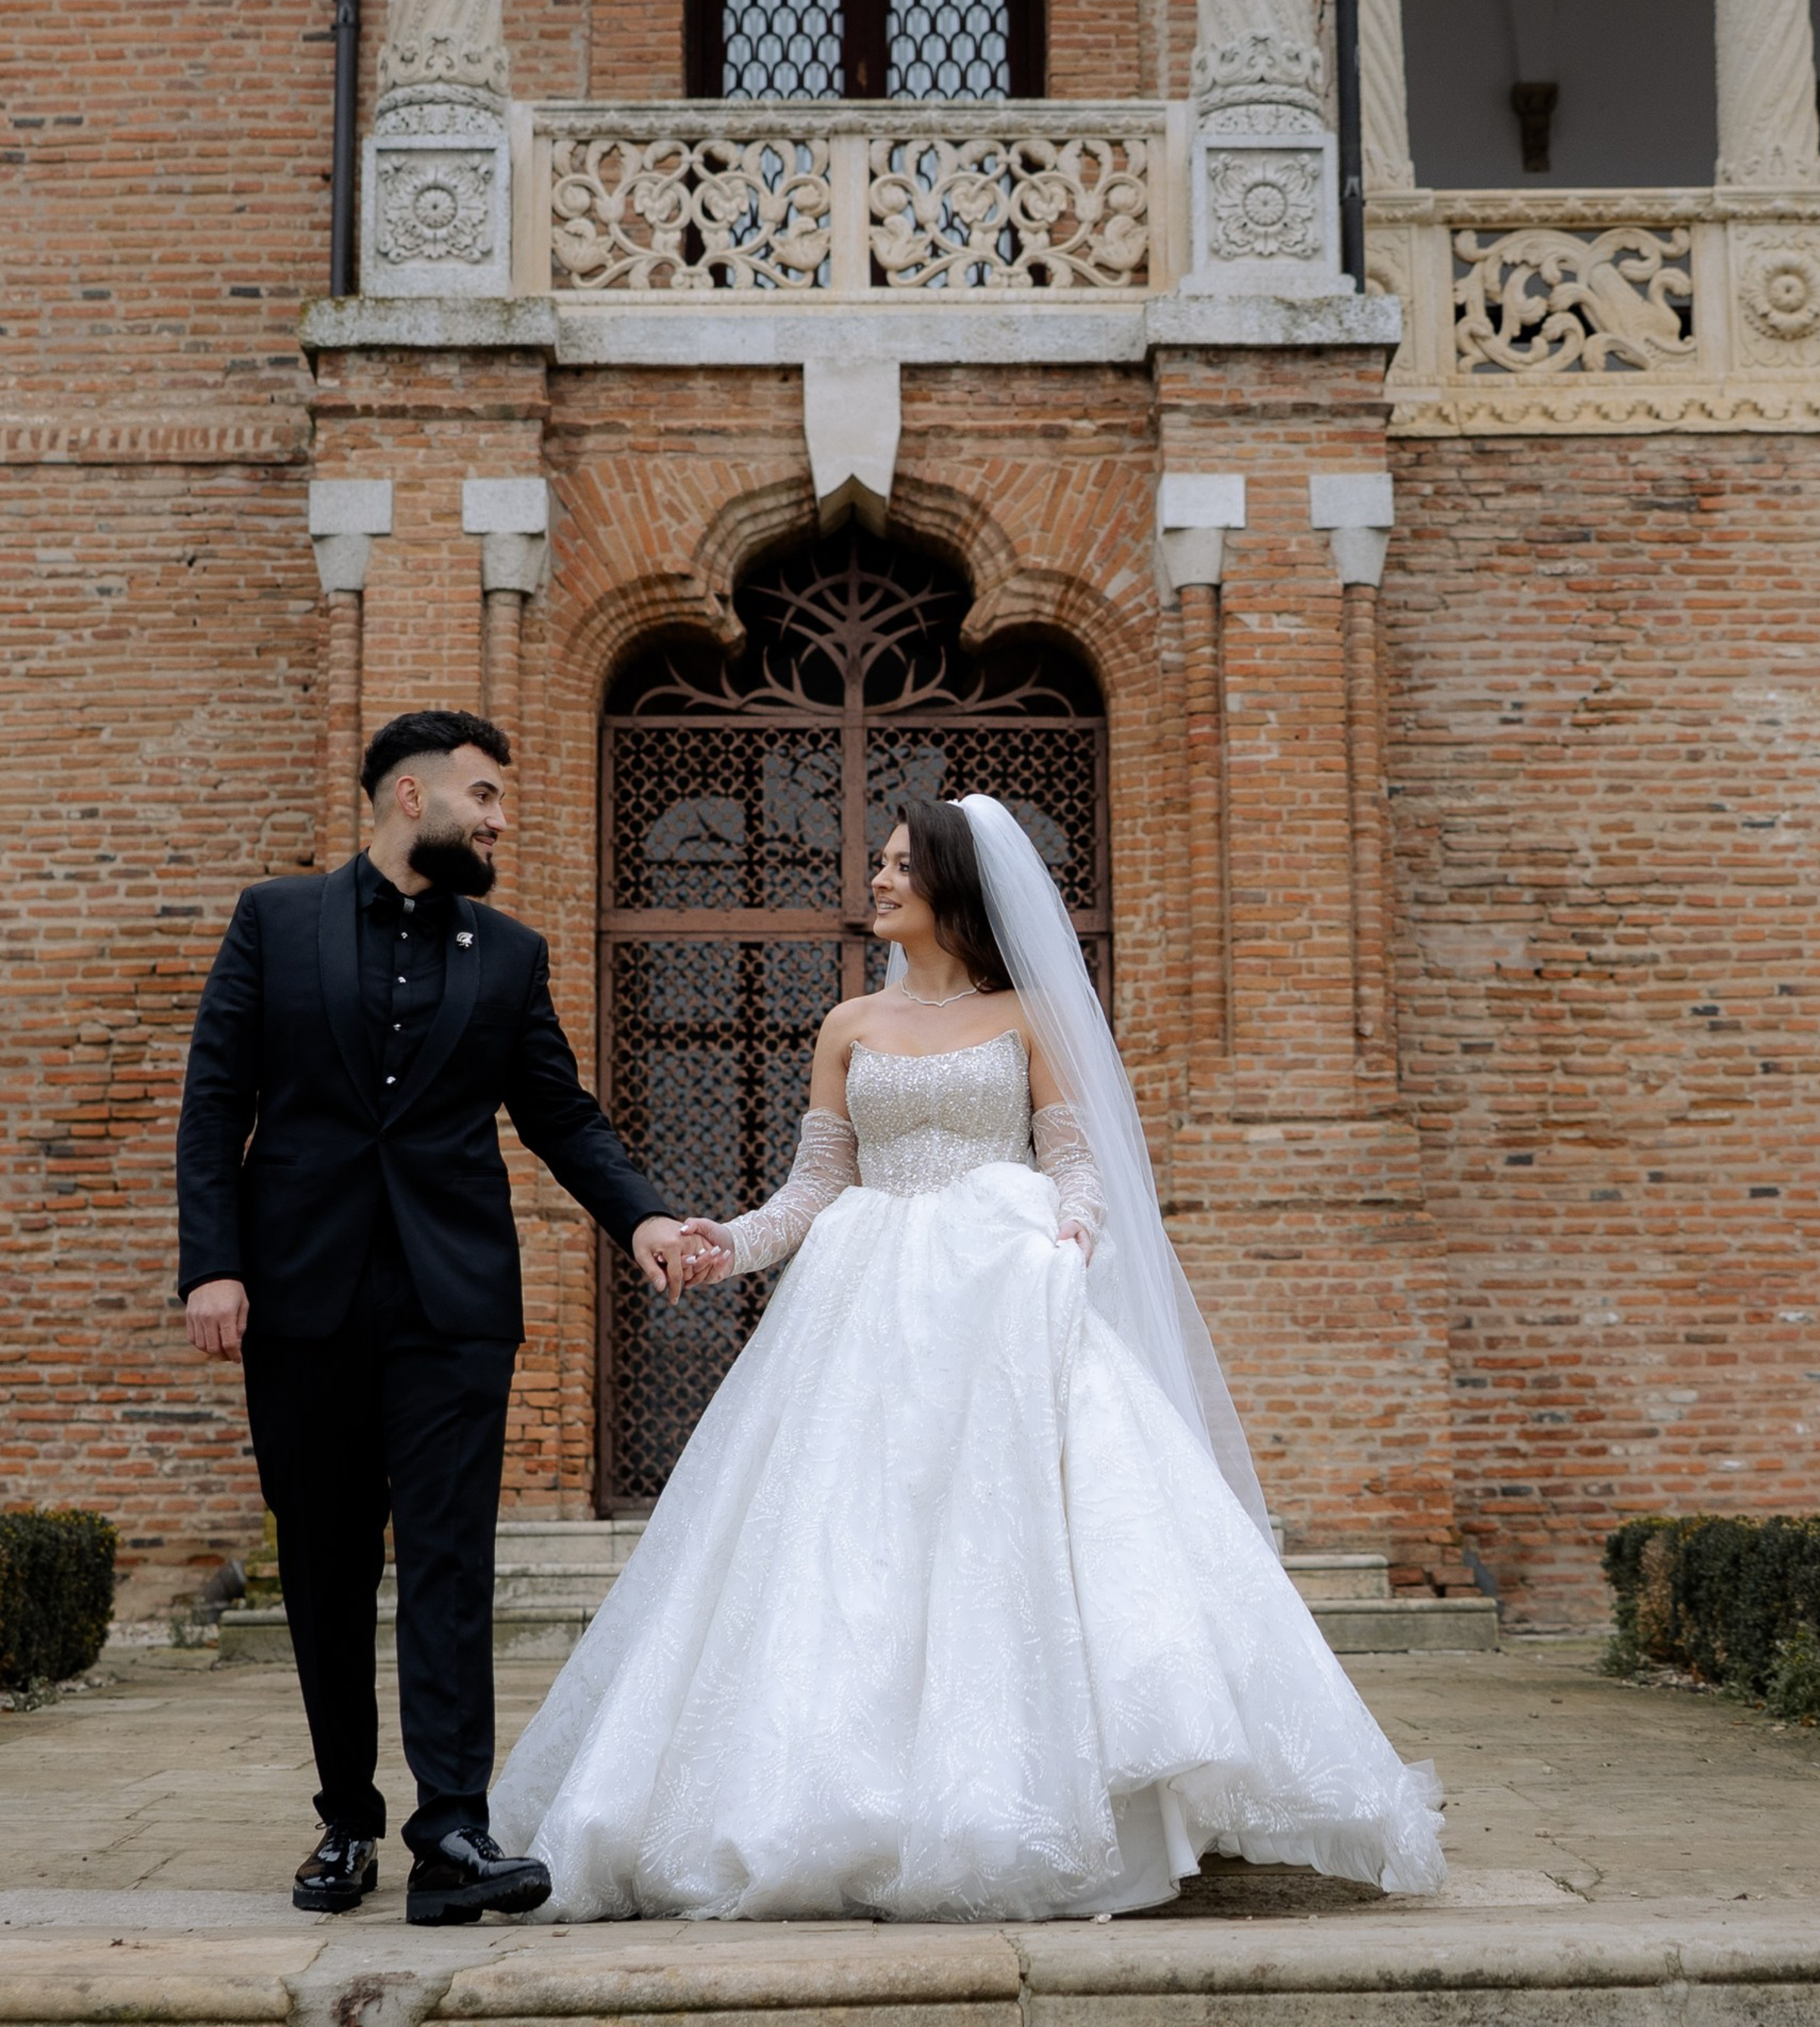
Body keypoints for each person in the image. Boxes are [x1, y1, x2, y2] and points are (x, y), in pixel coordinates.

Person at [490, 792, 1445, 1920]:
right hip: (862, 1313)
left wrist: (1071, 1236)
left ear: (951, 883)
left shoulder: (1030, 1015)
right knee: (848, 1554)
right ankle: (844, 1800)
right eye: (879, 866)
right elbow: (813, 1190)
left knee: (1017, 1544)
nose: (878, 883)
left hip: (1001, 1296)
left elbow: (1074, 1162)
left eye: (900, 867)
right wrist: (720, 1248)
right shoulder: (847, 1027)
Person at [176, 708, 694, 1926]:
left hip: (454, 1304)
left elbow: (560, 1115)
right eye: (484, 798)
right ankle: (346, 1821)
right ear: (411, 798)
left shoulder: (508, 954)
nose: (499, 819)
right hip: (300, 1295)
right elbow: (215, 1102)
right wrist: (214, 1263)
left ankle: (452, 1829)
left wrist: (646, 1222)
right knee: (325, 1563)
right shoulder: (276, 921)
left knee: (453, 1564)